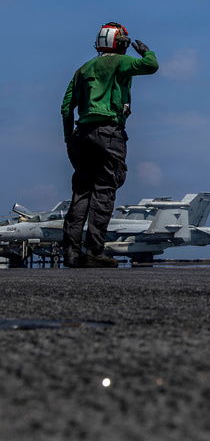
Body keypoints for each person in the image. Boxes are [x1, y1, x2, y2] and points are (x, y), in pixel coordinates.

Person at [60, 23, 158, 268]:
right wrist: (147, 52)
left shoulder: (82, 69)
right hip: (108, 135)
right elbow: (151, 66)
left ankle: (71, 253)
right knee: (104, 191)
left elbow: (65, 107)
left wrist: (68, 138)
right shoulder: (120, 62)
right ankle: (94, 252)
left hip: (81, 135)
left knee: (81, 192)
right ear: (120, 44)